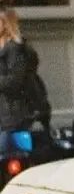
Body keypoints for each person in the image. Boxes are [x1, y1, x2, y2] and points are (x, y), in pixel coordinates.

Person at [0, 9, 44, 149]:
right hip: (6, 113)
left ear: (5, 24)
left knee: (14, 152)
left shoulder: (14, 49)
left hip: (13, 113)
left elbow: (15, 81)